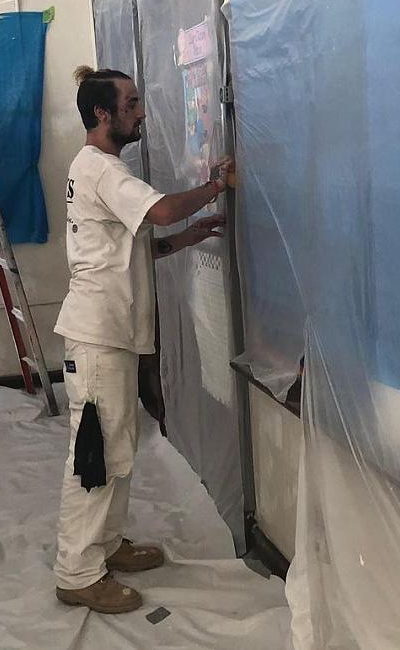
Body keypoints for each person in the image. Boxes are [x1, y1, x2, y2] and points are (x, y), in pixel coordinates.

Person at [53, 66, 233, 613]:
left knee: (116, 446)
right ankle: (77, 571)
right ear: (102, 114)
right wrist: (217, 185)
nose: (141, 112)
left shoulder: (95, 172)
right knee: (95, 454)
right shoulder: (102, 170)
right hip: (98, 337)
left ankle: (104, 546)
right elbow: (159, 209)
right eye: (130, 104)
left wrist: (187, 238)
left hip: (111, 335)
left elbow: (132, 252)